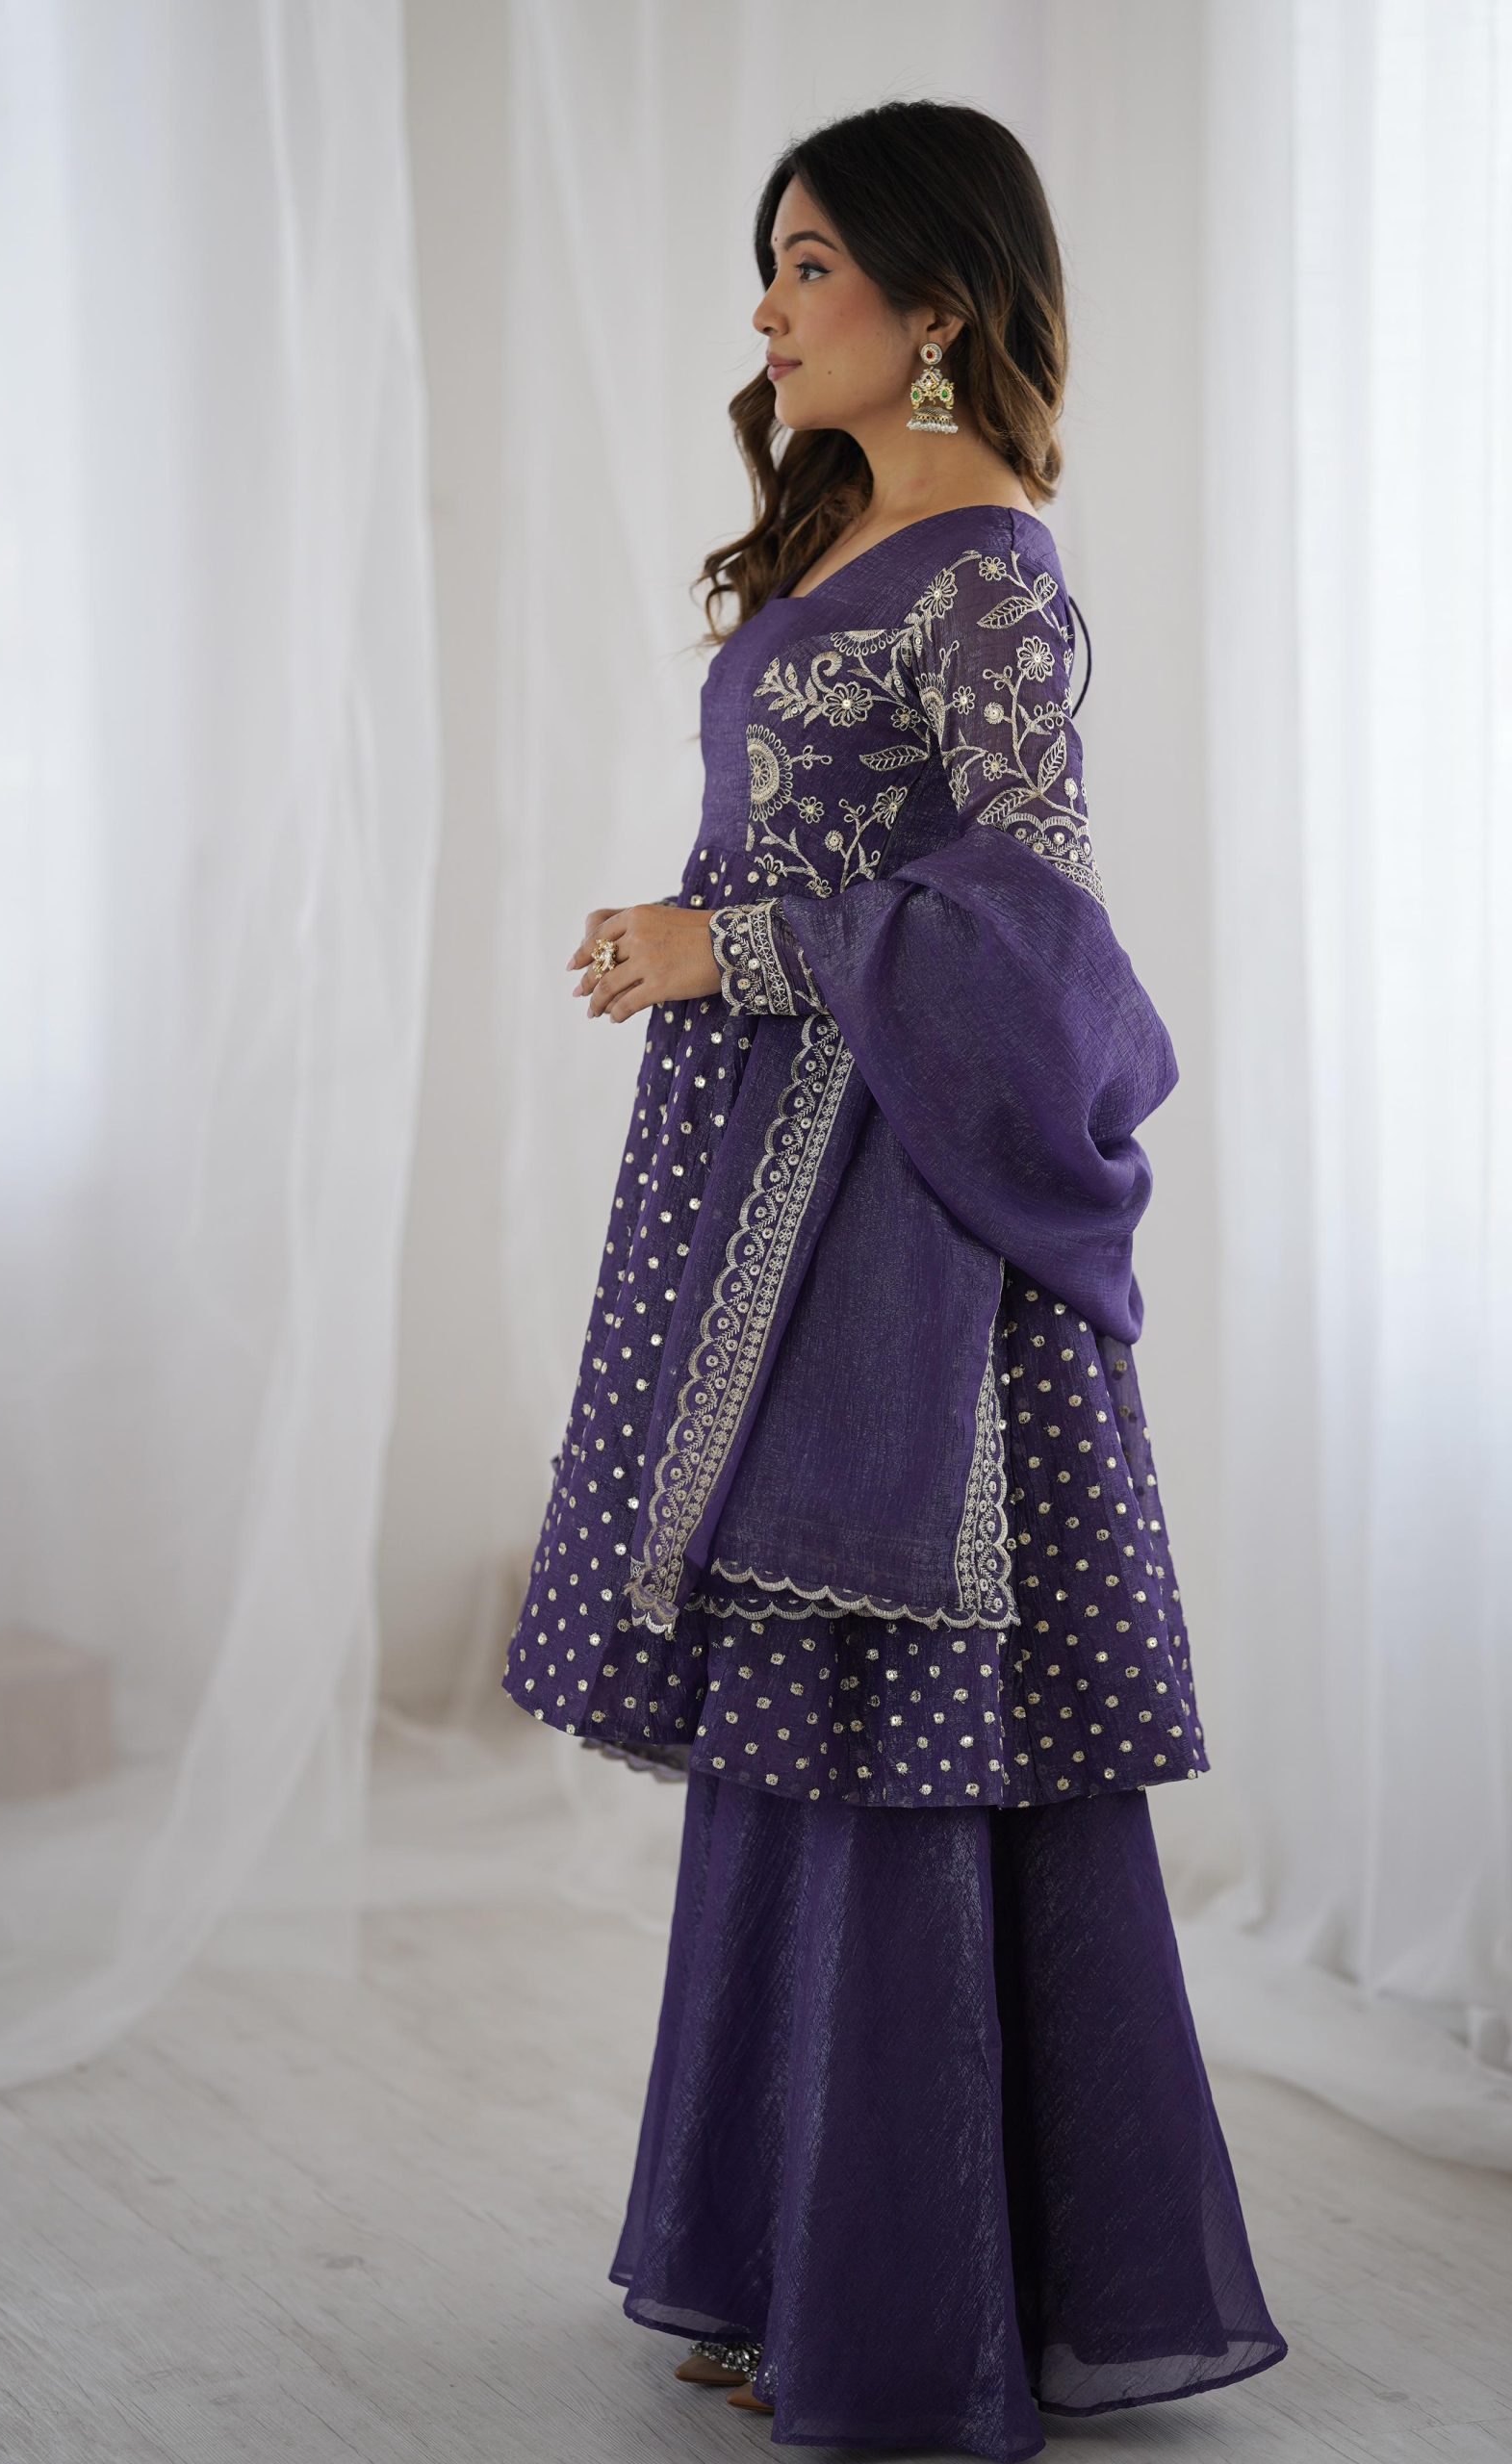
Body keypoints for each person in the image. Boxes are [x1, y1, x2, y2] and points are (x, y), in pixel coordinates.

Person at [505, 97, 1288, 2461]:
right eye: (771, 261)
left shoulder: (990, 572)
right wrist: (696, 944)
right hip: (770, 1202)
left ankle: (916, 2294)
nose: (768, 307)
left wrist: (724, 947)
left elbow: (1034, 925)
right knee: (801, 1718)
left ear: (938, 303)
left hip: (912, 1234)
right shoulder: (849, 534)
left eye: (813, 262)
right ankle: (803, 2251)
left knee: (908, 1727)